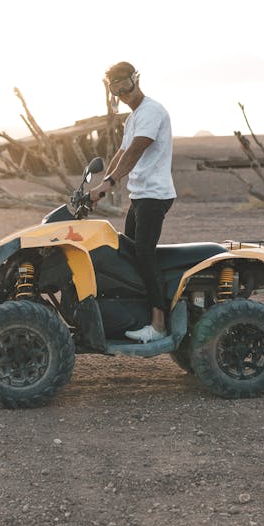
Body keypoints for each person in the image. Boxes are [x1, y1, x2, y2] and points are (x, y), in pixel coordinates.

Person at [90, 61, 176, 343]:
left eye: (125, 85)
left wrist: (111, 182)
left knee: (144, 254)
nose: (123, 93)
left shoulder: (151, 110)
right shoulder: (133, 117)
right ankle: (135, 315)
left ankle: (159, 323)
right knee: (126, 254)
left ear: (136, 80)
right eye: (116, 89)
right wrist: (102, 183)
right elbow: (121, 152)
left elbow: (137, 150)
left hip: (155, 195)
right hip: (140, 196)